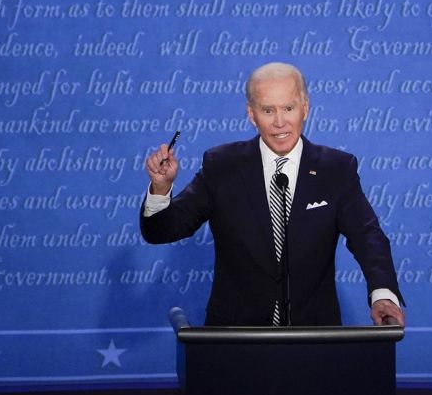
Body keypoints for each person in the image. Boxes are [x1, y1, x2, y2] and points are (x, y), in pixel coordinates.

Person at [141, 61, 406, 327]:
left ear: (305, 108)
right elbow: (161, 231)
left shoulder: (336, 170)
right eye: (268, 110)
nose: (280, 122)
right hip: (236, 340)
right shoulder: (222, 167)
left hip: (314, 338)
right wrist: (161, 189)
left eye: (288, 108)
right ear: (251, 114)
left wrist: (383, 294)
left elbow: (367, 236)